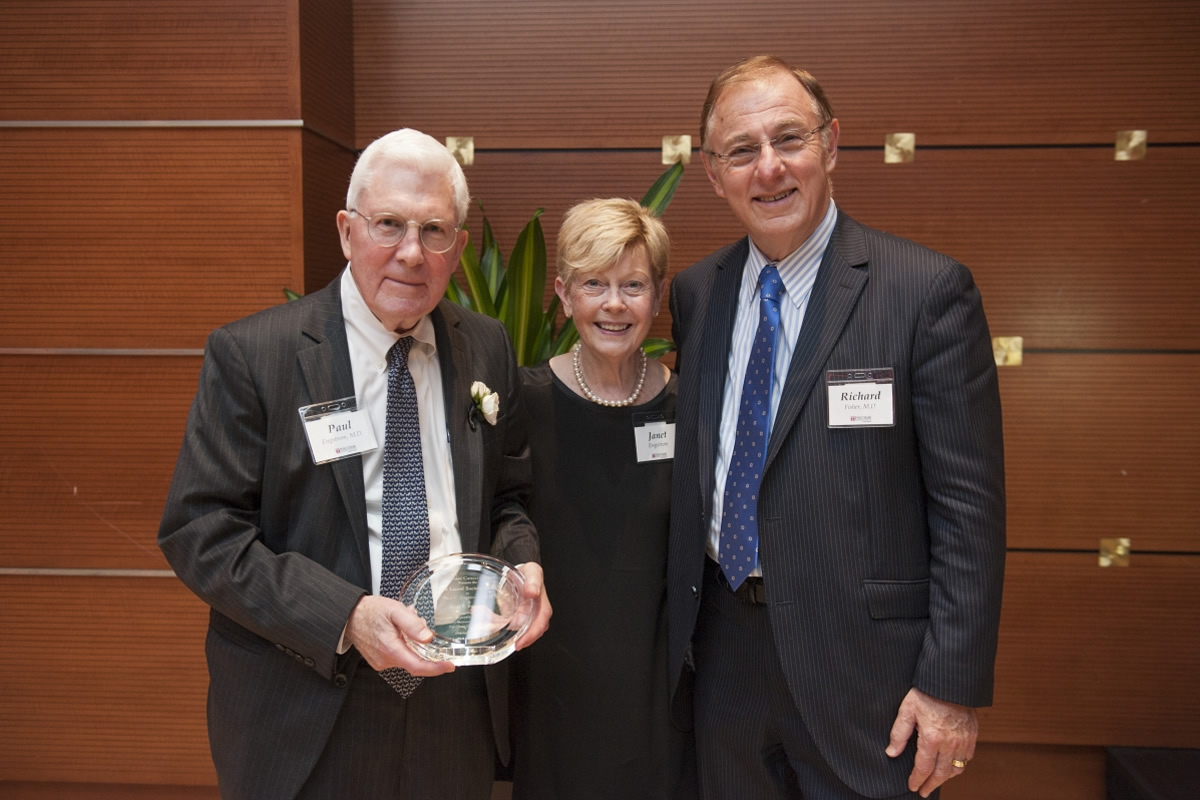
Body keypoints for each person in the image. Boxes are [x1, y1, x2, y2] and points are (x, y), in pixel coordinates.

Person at [158, 128, 551, 800]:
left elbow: (508, 498)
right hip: (307, 702)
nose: (410, 253)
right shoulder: (257, 357)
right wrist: (346, 615)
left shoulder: (484, 348)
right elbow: (201, 532)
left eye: (434, 230)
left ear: (457, 248)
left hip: (450, 708)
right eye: (389, 224)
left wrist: (521, 565)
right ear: (346, 231)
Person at [667, 55, 1006, 800]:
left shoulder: (925, 292)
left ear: (831, 145)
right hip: (723, 659)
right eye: (741, 151)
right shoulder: (696, 294)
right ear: (713, 174)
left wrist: (950, 688)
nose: (769, 168)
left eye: (789, 138)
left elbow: (969, 511)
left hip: (867, 678)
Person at [511, 198, 694, 799]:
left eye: (633, 285)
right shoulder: (523, 402)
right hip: (555, 684)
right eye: (595, 284)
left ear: (659, 294)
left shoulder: (690, 405)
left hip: (663, 688)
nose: (614, 304)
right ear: (564, 294)